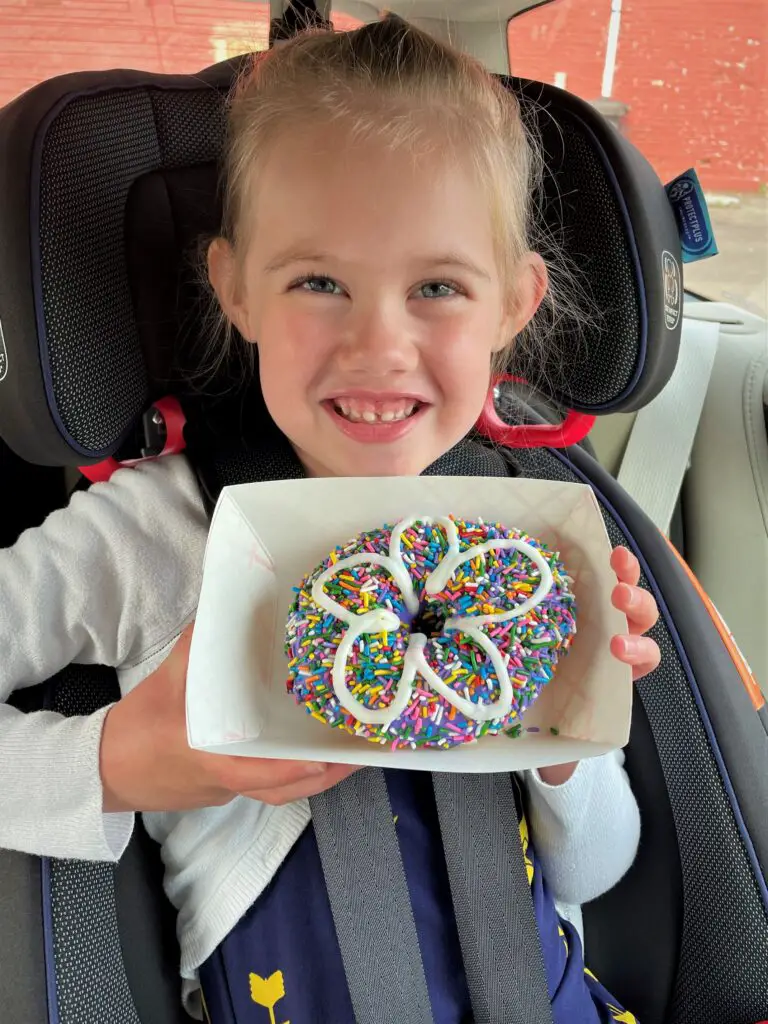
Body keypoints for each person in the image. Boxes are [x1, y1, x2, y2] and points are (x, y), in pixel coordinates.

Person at [0, 17, 661, 1024]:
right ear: (236, 289)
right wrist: (116, 761)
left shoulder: (534, 546)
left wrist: (565, 733)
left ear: (514, 304)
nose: (378, 342)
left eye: (438, 286)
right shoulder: (150, 534)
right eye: (319, 282)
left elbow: (598, 870)